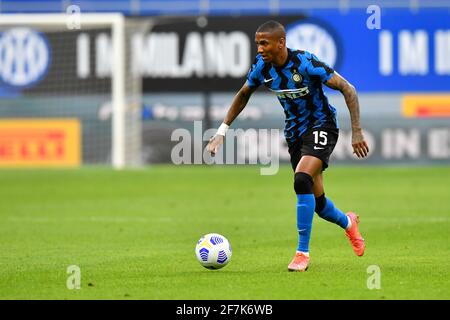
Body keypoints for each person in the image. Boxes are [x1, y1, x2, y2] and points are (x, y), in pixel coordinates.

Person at [206, 20, 369, 272]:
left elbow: (348, 89)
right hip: (295, 134)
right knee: (320, 204)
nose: (259, 49)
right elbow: (243, 94)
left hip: (322, 125)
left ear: (281, 42)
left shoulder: (306, 63)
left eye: (264, 43)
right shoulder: (262, 68)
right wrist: (221, 132)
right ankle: (349, 223)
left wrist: (356, 131)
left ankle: (302, 254)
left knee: (301, 178)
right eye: (257, 43)